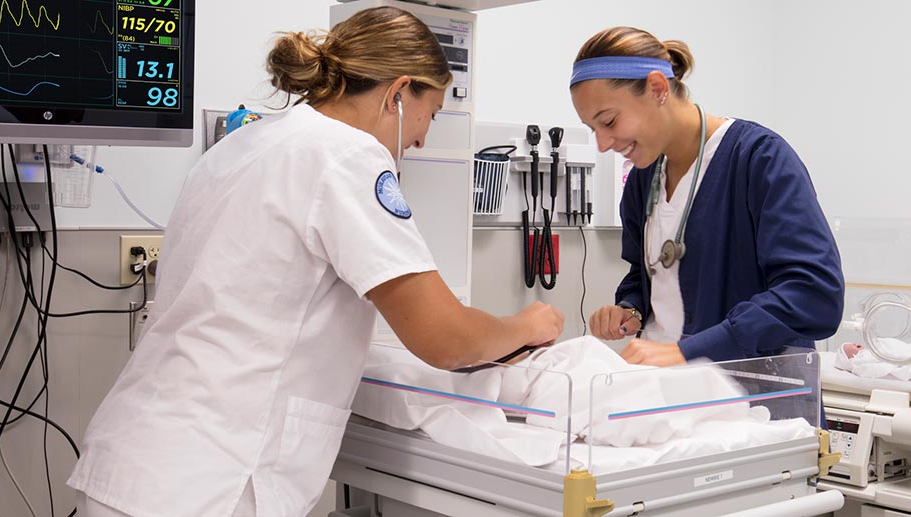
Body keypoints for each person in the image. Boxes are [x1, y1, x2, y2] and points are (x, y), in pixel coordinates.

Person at [66, 7, 563, 516]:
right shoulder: (347, 155)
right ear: (398, 92)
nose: (422, 138)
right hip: (210, 480)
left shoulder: (245, 144)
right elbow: (445, 340)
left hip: (140, 460)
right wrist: (522, 325)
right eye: (431, 113)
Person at [572, 27, 843, 367]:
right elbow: (646, 276)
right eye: (592, 129)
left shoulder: (758, 158)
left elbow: (813, 295)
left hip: (754, 401)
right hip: (666, 393)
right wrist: (631, 308)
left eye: (609, 121)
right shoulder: (644, 179)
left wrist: (689, 351)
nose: (602, 143)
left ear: (657, 88)